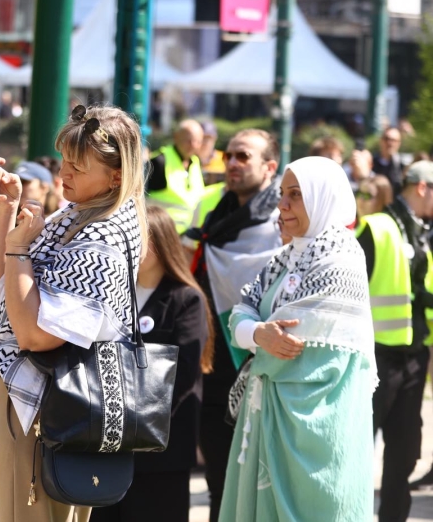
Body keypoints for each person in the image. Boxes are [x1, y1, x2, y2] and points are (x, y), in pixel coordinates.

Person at [0, 103, 148, 522]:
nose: (64, 173)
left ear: (116, 175)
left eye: (77, 166)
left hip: (53, 408)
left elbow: (37, 337)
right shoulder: (74, 215)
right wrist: (8, 208)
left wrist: (21, 247)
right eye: (63, 161)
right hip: (35, 400)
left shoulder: (104, 236)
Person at [219, 157, 376, 521]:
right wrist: (257, 333)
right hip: (269, 416)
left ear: (324, 199)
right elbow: (243, 311)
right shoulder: (285, 258)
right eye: (281, 194)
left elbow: (293, 344)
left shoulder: (341, 261)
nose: (282, 205)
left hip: (313, 429)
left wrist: (257, 336)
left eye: (296, 195)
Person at [182, 129, 282, 522]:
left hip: (261, 360)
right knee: (219, 475)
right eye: (229, 156)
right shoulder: (209, 208)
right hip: (213, 359)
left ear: (269, 167)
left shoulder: (282, 216)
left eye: (244, 156)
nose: (233, 164)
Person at [90, 206, 211, 522]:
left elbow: (183, 372)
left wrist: (130, 409)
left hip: (161, 448)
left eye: (134, 238)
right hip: (110, 443)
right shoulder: (112, 294)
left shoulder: (186, 299)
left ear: (158, 243)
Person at [356, 161, 433, 521]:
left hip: (414, 358)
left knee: (404, 454)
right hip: (374, 359)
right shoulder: (378, 228)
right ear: (422, 188)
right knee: (357, 452)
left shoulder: (420, 231)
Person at [147, 119, 205, 233]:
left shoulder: (195, 162)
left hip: (187, 235)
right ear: (176, 137)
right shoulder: (159, 162)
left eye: (197, 141)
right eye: (188, 140)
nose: (193, 145)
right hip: (161, 234)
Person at [374, 126, 410, 195]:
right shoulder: (370, 163)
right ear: (381, 140)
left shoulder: (403, 167)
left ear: (399, 143)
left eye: (394, 140)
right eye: (387, 139)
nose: (390, 143)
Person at [198, 120, 225, 185]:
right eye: (202, 137)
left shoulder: (224, 158)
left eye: (208, 137)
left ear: (215, 138)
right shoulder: (188, 159)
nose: (205, 141)